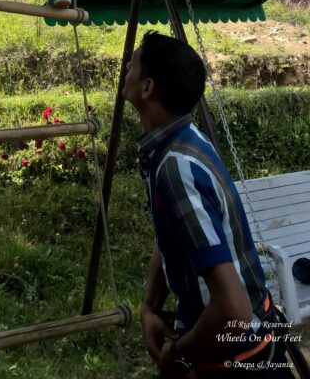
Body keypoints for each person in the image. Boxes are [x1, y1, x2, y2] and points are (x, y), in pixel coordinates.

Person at [123, 30, 290, 378]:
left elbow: (233, 311)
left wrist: (177, 355)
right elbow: (171, 233)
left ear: (147, 87)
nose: (126, 68)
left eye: (133, 64)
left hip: (236, 360)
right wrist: (149, 306)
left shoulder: (176, 168)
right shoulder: (183, 142)